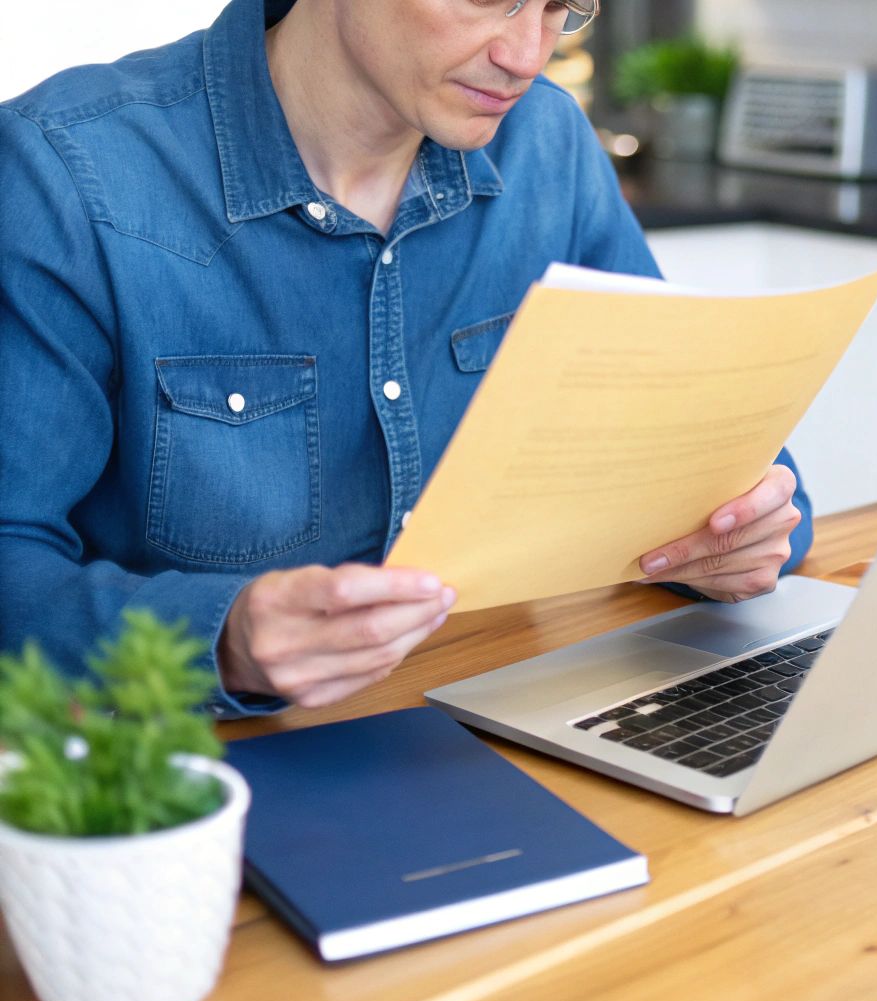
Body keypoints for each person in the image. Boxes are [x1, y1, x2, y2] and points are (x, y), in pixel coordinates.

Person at [0, 0, 813, 716]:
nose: (526, 56)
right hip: (185, 770)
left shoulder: (547, 143)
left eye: (560, 6)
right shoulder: (65, 173)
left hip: (503, 711)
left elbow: (716, 456)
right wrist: (223, 642)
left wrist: (739, 536)